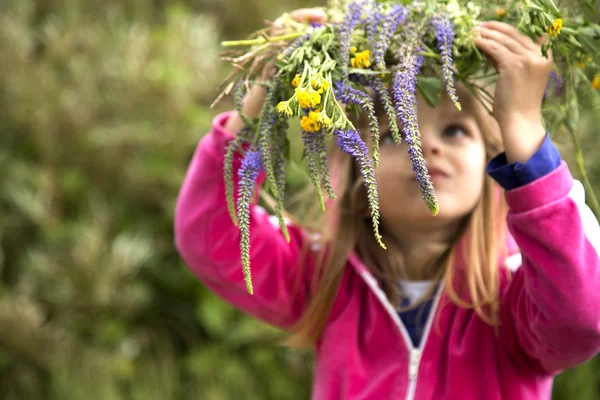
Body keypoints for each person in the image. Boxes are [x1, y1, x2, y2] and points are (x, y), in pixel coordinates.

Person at [174, 7, 600, 400]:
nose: (425, 146)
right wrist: (264, 92)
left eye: (454, 131)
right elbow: (212, 238)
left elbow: (582, 317)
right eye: (396, 134)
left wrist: (523, 127)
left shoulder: (516, 299)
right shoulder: (322, 279)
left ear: (493, 158)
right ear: (356, 167)